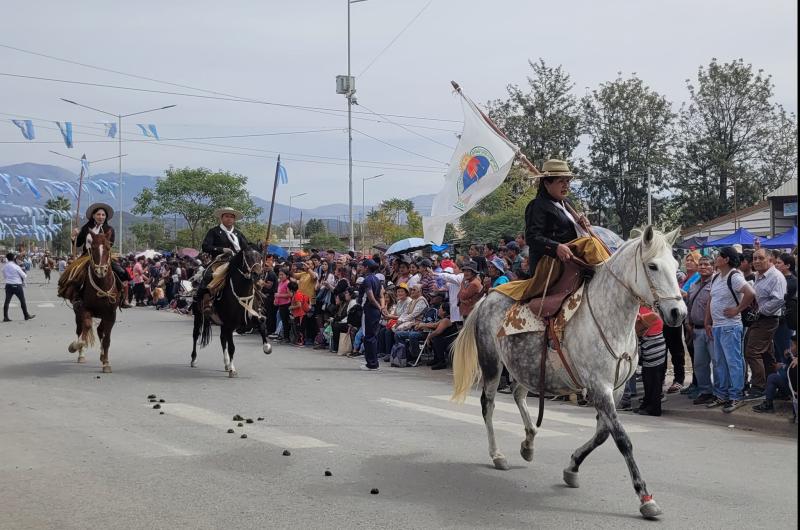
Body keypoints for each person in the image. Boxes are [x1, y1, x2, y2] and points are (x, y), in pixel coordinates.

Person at [704, 246, 756, 413]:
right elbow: (711, 301)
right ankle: (722, 394)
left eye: (718, 256)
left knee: (733, 362)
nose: (716, 258)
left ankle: (736, 395)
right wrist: (707, 322)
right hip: (718, 326)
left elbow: (750, 292)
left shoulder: (734, 276)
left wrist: (737, 309)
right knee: (719, 363)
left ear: (726, 259)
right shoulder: (716, 277)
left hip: (731, 326)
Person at [58, 203, 129, 305]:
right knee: (74, 272)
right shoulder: (86, 228)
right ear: (93, 216)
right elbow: (78, 244)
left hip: (104, 256)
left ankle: (123, 297)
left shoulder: (109, 230)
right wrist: (73, 237)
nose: (101, 217)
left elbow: (110, 244)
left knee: (122, 272)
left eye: (103, 215)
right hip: (87, 256)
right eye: (98, 214)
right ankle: (74, 295)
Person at [743, 248, 787, 400]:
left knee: (752, 351)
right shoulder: (758, 276)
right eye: (754, 258)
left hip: (767, 319)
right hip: (759, 319)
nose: (756, 261)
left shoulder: (776, 276)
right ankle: (773, 384)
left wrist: (760, 311)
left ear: (770, 260)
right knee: (766, 354)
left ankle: (758, 387)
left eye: (760, 258)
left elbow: (779, 299)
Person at [195, 207, 251, 317]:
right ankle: (207, 301)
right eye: (227, 216)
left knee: (251, 277)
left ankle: (255, 303)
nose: (229, 219)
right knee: (208, 274)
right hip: (220, 260)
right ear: (221, 218)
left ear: (234, 220)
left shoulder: (238, 234)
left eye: (231, 217)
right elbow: (205, 246)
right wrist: (221, 249)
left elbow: (246, 248)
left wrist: (259, 248)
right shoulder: (214, 231)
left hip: (237, 262)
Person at [686, 256, 715, 404]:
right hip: (696, 329)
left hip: (711, 328)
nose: (703, 267)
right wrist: (688, 323)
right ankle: (705, 391)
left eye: (707, 264)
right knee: (699, 363)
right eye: (701, 264)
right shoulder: (694, 285)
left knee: (717, 362)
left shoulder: (716, 283)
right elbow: (690, 306)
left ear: (713, 267)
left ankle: (719, 391)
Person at [634, 307, 667, 416]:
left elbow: (638, 329)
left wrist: (639, 318)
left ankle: (654, 408)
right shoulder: (648, 309)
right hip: (652, 346)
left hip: (653, 346)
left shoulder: (650, 312)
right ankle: (647, 404)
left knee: (652, 380)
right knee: (649, 378)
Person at [359, 259, 383, 371]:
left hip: (369, 310)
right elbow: (381, 295)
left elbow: (371, 297)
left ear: (366, 268)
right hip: (376, 310)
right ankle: (373, 362)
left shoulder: (367, 280)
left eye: (362, 266)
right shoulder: (377, 279)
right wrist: (382, 307)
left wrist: (379, 307)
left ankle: (371, 363)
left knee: (368, 336)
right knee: (373, 336)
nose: (361, 268)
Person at [773, 253, 797, 364]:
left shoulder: (791, 281)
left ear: (787, 265)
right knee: (778, 351)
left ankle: (787, 377)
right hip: (777, 318)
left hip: (785, 320)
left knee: (785, 351)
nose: (776, 265)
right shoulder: (779, 278)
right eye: (776, 262)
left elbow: (779, 298)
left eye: (779, 263)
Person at [3, 253, 35, 321]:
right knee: (22, 301)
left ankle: (5, 317)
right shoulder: (16, 266)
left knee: (7, 301)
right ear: (13, 258)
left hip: (8, 285)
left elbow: (4, 275)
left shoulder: (5, 266)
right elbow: (24, 276)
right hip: (17, 285)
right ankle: (26, 315)